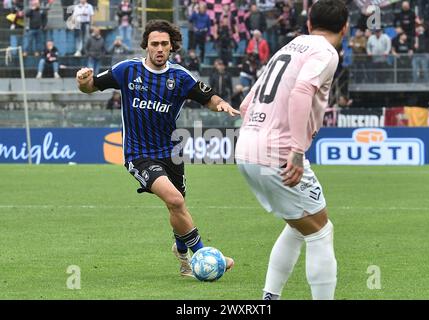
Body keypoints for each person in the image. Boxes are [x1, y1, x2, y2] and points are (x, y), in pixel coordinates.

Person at [76, 19, 238, 277]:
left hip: (171, 153)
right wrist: (83, 81)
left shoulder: (180, 77)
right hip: (138, 155)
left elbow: (209, 98)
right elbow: (91, 86)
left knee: (178, 204)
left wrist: (222, 104)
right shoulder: (126, 71)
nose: (160, 48)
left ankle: (182, 255)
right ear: (146, 46)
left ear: (171, 46)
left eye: (164, 44)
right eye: (154, 44)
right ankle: (206, 257)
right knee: (174, 199)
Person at [235, 0, 348, 300]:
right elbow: (301, 90)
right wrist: (297, 149)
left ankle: (270, 297)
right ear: (345, 28)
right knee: (320, 231)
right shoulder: (326, 52)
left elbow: (247, 103)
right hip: (279, 152)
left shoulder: (289, 47)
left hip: (246, 146)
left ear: (309, 24)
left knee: (299, 226)